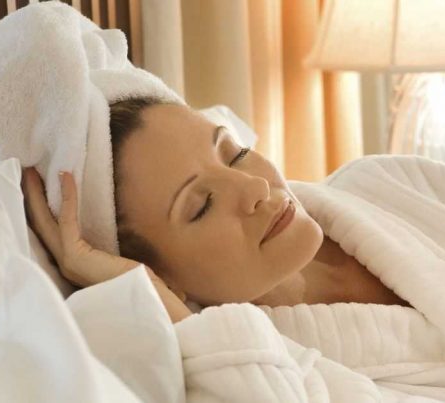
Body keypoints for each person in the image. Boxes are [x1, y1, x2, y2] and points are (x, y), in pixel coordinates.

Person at [21, 97, 410, 323]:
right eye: (202, 206)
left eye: (234, 154)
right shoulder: (272, 366)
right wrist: (144, 292)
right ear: (162, 277)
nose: (256, 187)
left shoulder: (390, 182)